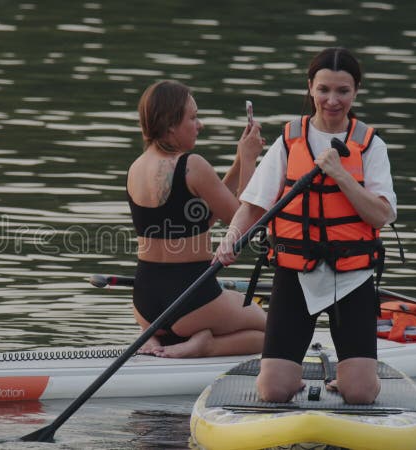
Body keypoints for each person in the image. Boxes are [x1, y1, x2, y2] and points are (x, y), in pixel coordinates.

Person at [213, 47, 397, 404]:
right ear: (310, 87)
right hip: (294, 272)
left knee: (359, 393)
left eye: (342, 91)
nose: (332, 100)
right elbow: (252, 207)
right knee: (273, 390)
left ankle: (357, 380)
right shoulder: (289, 140)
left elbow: (381, 215)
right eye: (324, 89)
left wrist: (341, 175)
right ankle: (291, 379)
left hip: (352, 276)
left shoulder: (371, 146)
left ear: (355, 92)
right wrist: (231, 238)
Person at [127, 80, 266, 358]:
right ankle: (207, 345)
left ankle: (156, 336)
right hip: (192, 297)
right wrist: (250, 159)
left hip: (145, 301)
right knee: (278, 330)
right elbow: (243, 219)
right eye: (192, 117)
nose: (199, 124)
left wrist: (238, 161)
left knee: (227, 316)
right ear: (170, 126)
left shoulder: (136, 167)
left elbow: (201, 219)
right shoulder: (193, 164)